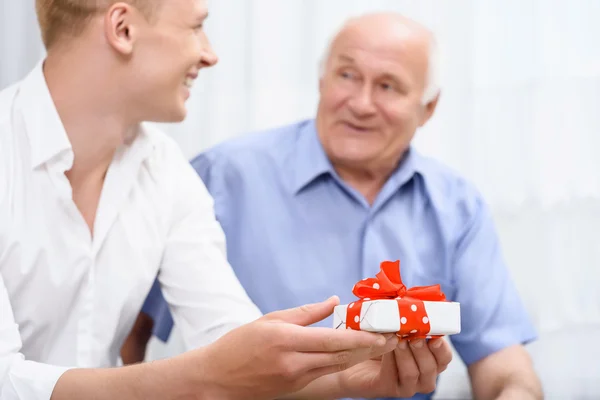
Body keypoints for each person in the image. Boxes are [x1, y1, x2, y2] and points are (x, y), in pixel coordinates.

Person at [0, 1, 454, 399]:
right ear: (122, 29)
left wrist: (348, 377)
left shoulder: (165, 171)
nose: (210, 53)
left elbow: (226, 337)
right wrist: (204, 376)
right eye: (196, 26)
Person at [136, 11, 544, 400]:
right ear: (321, 81)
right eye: (347, 76)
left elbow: (505, 364)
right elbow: (130, 329)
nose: (361, 103)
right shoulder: (221, 176)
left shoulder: (457, 206)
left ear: (428, 108)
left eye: (388, 86)